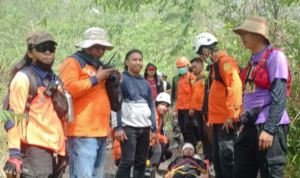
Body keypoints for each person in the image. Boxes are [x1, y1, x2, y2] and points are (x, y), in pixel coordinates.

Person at [3, 31, 68, 178]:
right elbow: (14, 116)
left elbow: (58, 117)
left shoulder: (55, 80)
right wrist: (14, 154)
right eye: (41, 48)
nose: (47, 52)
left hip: (56, 152)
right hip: (34, 151)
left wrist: (64, 145)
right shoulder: (23, 79)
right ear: (30, 53)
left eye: (51, 48)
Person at [233, 16, 291, 178]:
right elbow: (251, 95)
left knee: (270, 173)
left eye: (246, 33)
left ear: (259, 36)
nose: (242, 37)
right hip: (251, 125)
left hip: (269, 126)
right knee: (241, 171)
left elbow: (279, 97)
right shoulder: (253, 61)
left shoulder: (275, 57)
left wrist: (269, 130)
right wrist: (245, 122)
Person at [59, 27, 116, 178]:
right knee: (83, 174)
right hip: (82, 130)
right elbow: (68, 88)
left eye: (103, 48)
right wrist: (96, 79)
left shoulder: (99, 66)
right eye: (96, 47)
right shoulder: (73, 62)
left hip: (101, 130)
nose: (100, 51)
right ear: (86, 46)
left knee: (96, 174)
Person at [193, 32, 243, 178]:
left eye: (201, 55)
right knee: (218, 157)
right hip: (217, 121)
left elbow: (235, 87)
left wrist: (231, 115)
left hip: (226, 121)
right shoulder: (214, 67)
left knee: (227, 156)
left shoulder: (225, 62)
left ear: (206, 50)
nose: (202, 58)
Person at [114, 49, 158, 178]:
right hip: (128, 127)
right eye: (134, 60)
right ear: (127, 62)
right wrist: (118, 128)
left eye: (140, 60)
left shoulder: (145, 83)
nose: (138, 62)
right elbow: (115, 104)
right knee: (127, 161)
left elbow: (151, 106)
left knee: (141, 162)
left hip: (144, 128)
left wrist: (154, 129)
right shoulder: (121, 80)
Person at [112, 92, 172, 178]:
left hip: (130, 153)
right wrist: (164, 139)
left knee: (165, 152)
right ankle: (151, 169)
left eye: (166, 106)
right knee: (158, 146)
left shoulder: (158, 116)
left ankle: (150, 169)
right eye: (162, 104)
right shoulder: (149, 115)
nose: (165, 108)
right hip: (123, 157)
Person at [190, 57, 213, 164]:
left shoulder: (207, 76)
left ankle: (212, 157)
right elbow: (194, 96)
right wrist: (192, 108)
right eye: (192, 67)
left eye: (195, 66)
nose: (193, 69)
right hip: (197, 111)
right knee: (202, 134)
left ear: (201, 65)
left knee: (208, 134)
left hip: (205, 110)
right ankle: (207, 157)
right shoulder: (196, 79)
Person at [174, 56, 198, 149]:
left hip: (188, 110)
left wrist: (192, 108)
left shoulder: (192, 78)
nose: (180, 69)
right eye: (179, 67)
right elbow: (179, 96)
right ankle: (187, 148)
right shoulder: (180, 80)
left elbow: (195, 94)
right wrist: (176, 110)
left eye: (182, 66)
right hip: (181, 109)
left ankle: (193, 150)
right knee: (183, 129)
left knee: (189, 130)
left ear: (187, 67)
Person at [170, 73, 181, 149]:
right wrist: (171, 103)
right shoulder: (175, 78)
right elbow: (173, 91)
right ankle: (177, 139)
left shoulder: (191, 76)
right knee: (175, 122)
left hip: (188, 103)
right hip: (177, 103)